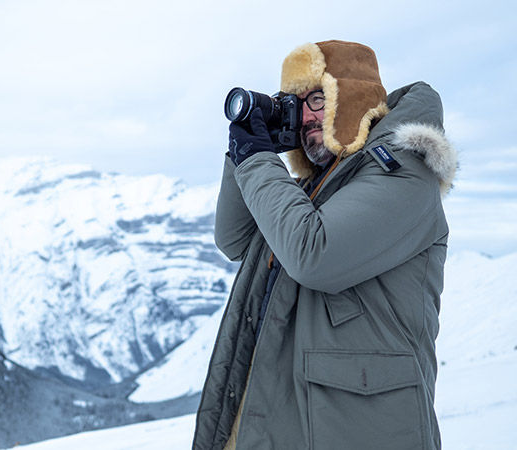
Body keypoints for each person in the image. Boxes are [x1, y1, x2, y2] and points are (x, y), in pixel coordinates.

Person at [192, 40, 457, 450]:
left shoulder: (403, 175)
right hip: (299, 426)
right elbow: (235, 240)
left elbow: (314, 255)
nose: (305, 116)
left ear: (353, 98)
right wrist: (242, 150)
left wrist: (256, 160)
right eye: (294, 104)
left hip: (365, 433)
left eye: (318, 98)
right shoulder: (313, 190)